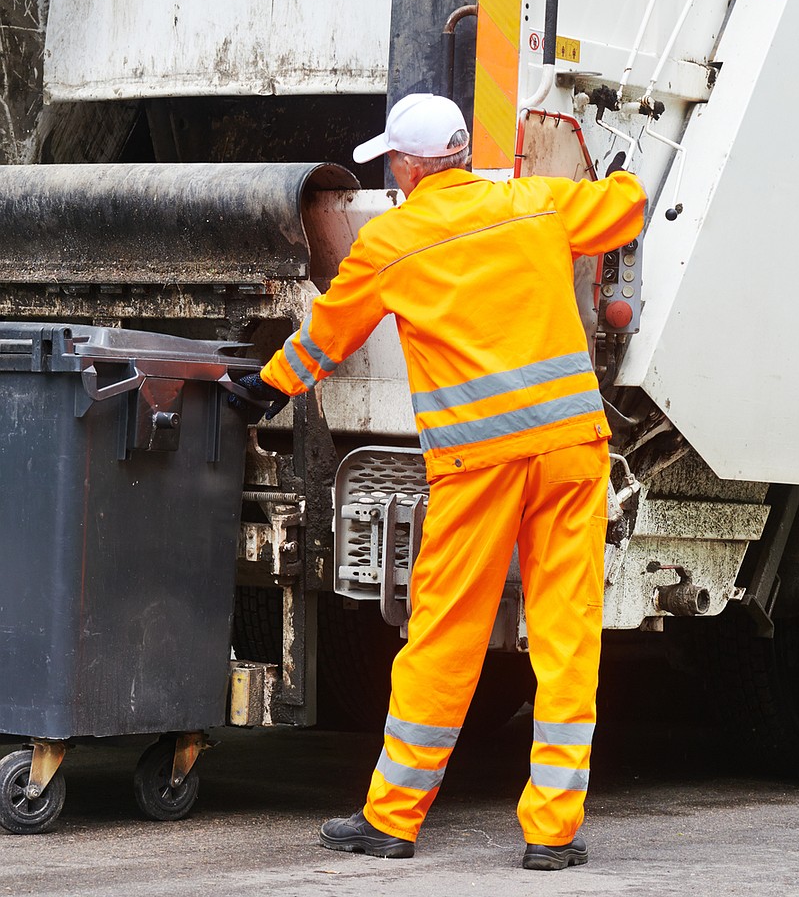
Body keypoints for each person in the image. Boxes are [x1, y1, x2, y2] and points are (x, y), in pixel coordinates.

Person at [234, 92, 646, 870]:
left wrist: (262, 387)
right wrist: (625, 172)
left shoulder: (391, 240)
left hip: (477, 467)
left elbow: (326, 338)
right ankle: (552, 835)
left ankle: (392, 820)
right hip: (570, 452)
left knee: (445, 638)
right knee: (565, 636)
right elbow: (623, 211)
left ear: (410, 166)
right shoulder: (535, 203)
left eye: (393, 158)